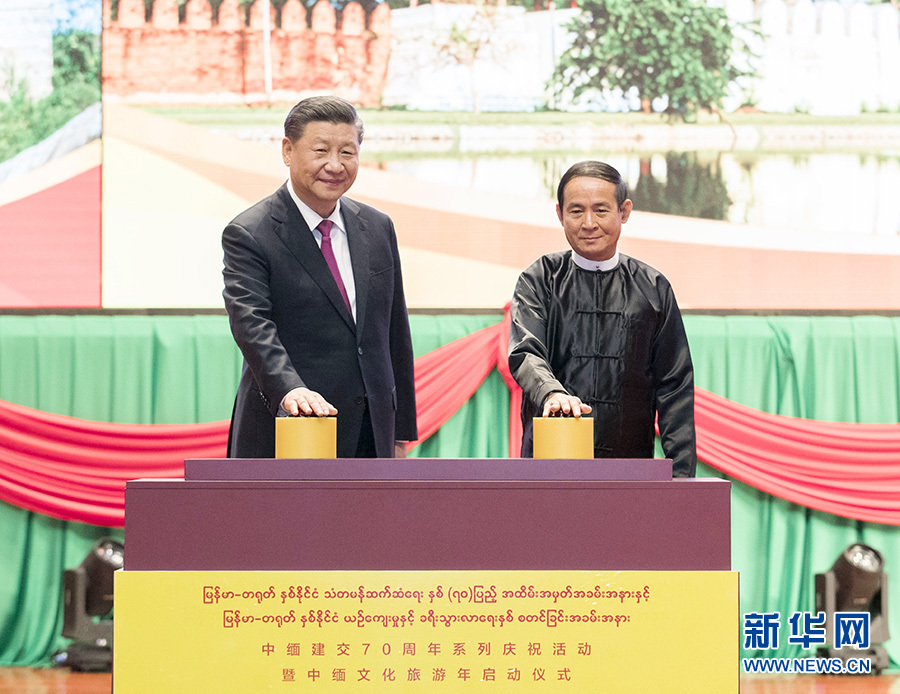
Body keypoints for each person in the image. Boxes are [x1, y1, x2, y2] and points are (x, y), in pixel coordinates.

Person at [222, 95, 417, 459]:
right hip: (290, 426)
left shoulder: (377, 227)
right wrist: (290, 389)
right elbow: (252, 326)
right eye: (321, 151)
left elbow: (394, 333)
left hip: (370, 433)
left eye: (347, 152)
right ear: (288, 151)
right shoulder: (250, 232)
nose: (335, 165)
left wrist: (400, 432)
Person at [508, 161, 696, 477]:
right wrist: (552, 392)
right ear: (560, 214)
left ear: (624, 212)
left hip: (630, 468)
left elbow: (674, 386)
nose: (589, 223)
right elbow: (526, 353)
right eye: (576, 211)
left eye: (601, 210)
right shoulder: (539, 279)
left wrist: (681, 479)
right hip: (552, 461)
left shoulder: (653, 288)